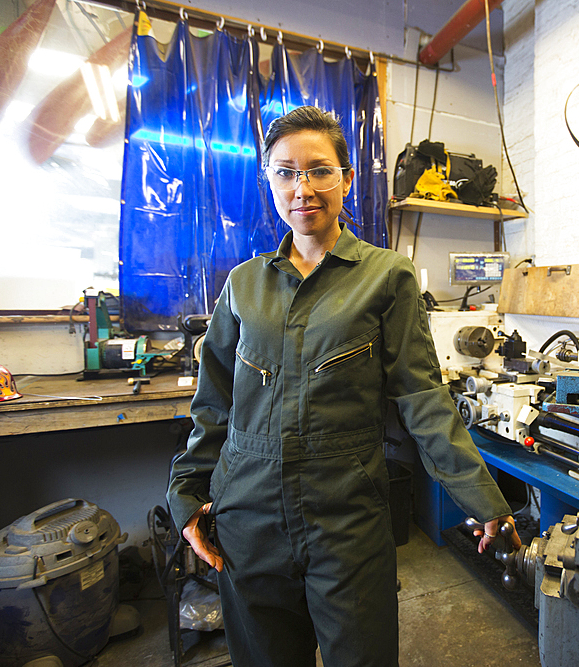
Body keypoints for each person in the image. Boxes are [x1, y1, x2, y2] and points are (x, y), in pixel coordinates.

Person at [167, 105, 520, 667]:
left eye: (319, 170)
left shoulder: (386, 276)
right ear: (269, 181)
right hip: (248, 517)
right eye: (285, 172)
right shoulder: (242, 285)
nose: (302, 188)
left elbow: (423, 398)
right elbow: (214, 405)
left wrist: (480, 499)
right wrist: (187, 497)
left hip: (346, 518)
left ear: (346, 178)